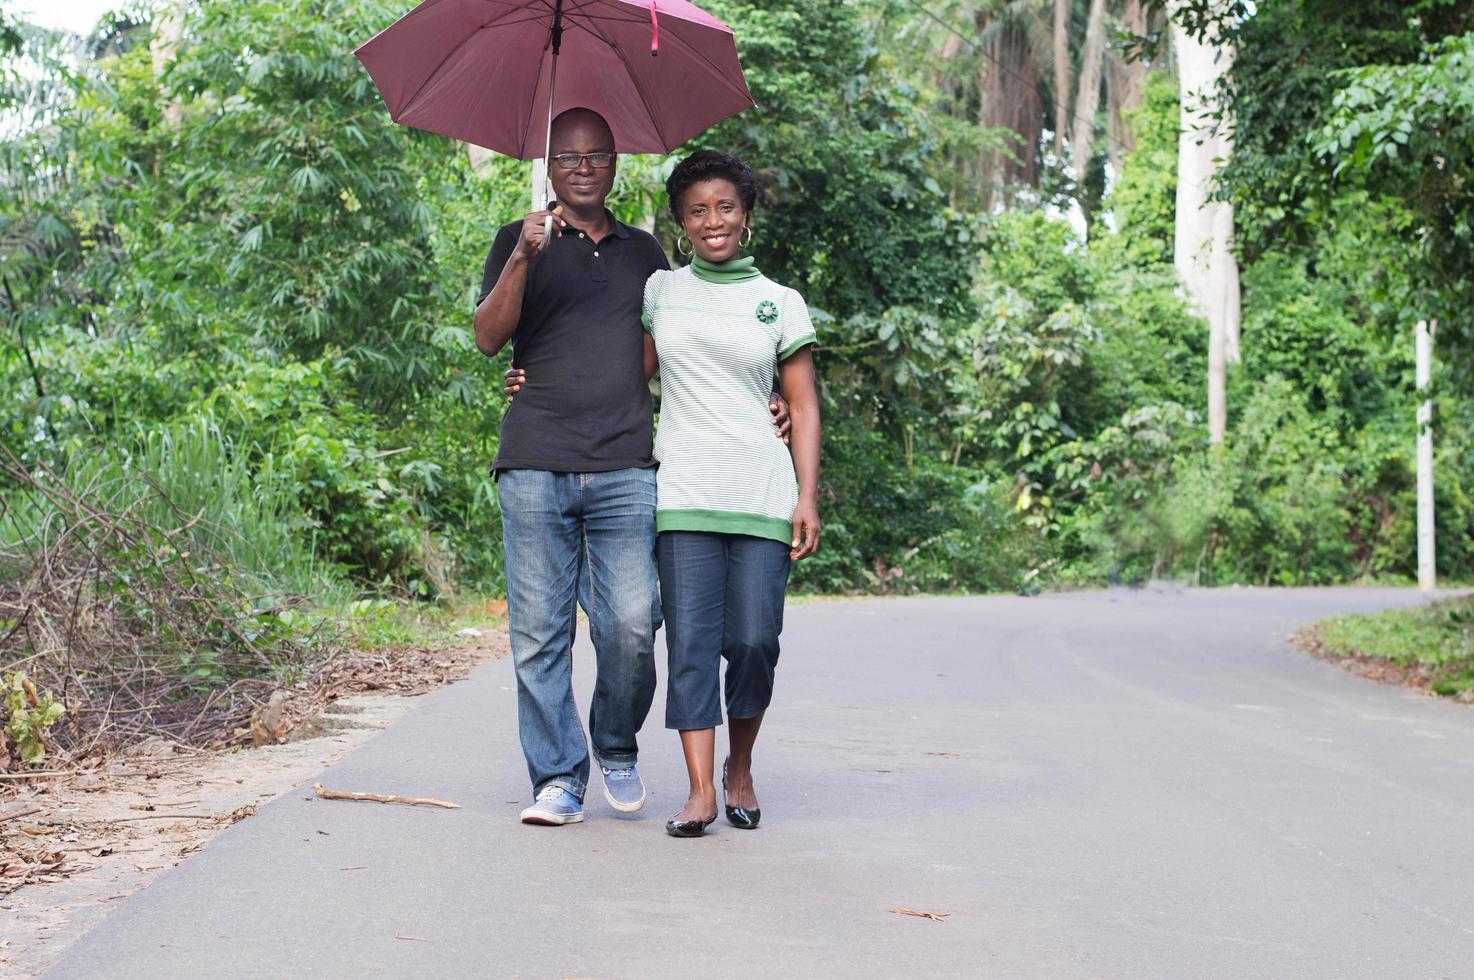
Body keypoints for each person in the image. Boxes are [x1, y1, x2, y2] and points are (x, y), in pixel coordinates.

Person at [476, 109, 789, 827]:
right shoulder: (515, 240)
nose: (582, 166)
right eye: (568, 155)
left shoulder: (647, 254)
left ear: (615, 164)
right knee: (538, 634)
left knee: (632, 622)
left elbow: (693, 338)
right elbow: (490, 339)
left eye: (597, 154)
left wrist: (764, 393)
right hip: (533, 460)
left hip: (624, 464)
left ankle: (615, 744)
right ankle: (557, 776)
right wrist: (524, 255)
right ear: (549, 165)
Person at [641, 150, 821, 837]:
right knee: (689, 643)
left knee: (753, 641)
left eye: (725, 208)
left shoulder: (779, 301)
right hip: (684, 489)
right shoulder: (661, 290)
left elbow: (802, 408)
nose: (712, 222)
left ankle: (738, 767)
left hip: (762, 493)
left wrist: (807, 495)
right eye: (697, 210)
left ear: (745, 217)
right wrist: (536, 376)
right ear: (680, 223)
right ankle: (697, 792)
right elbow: (626, 377)